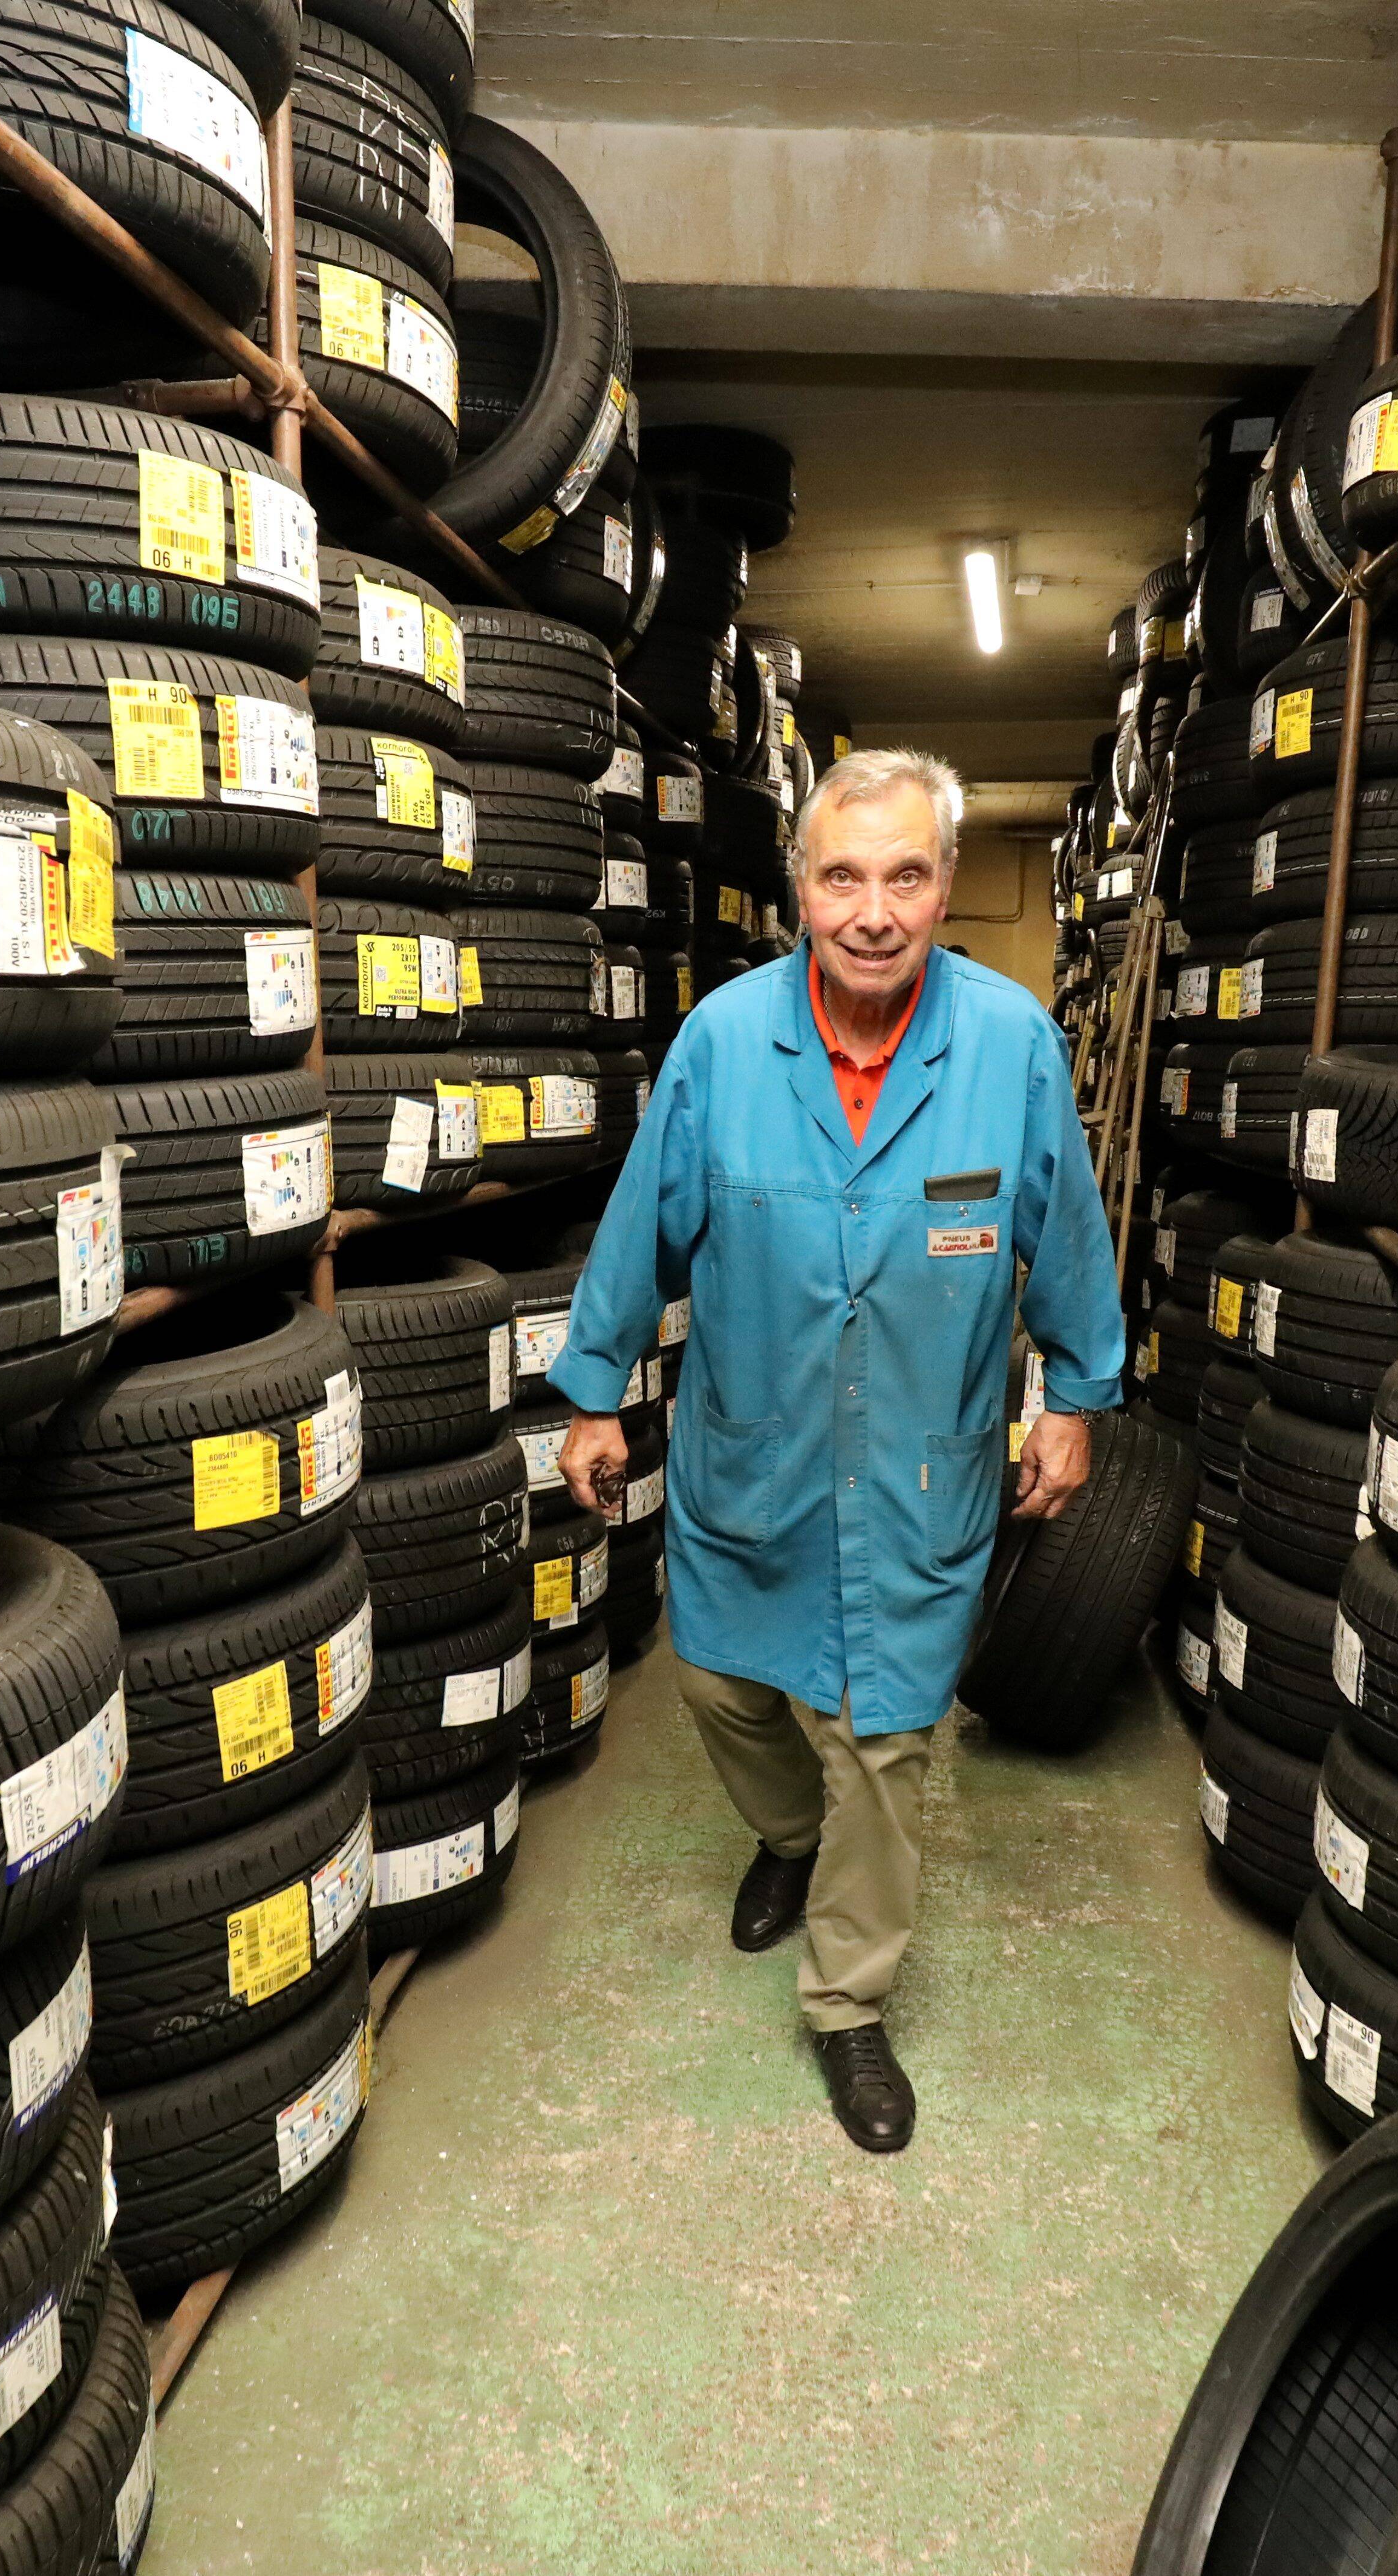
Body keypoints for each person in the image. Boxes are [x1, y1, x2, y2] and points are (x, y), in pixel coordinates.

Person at [541, 747, 1127, 2153]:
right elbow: (642, 1230)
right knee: (720, 1678)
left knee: (887, 1741)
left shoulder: (1009, 1044)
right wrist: (591, 1389)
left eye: (908, 875)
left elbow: (1072, 1236)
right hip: (756, 1444)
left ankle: (849, 2002)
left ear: (944, 888)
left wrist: (1077, 1396)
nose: (875, 910)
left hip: (925, 1456)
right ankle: (787, 1835)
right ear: (802, 886)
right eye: (845, 875)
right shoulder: (726, 1043)